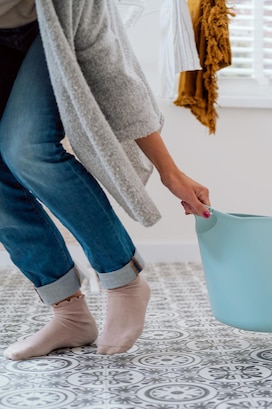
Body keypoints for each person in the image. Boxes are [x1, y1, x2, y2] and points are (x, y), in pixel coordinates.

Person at [0, 1, 210, 360]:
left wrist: (169, 171)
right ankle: (69, 313)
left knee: (28, 148)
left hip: (50, 23)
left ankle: (123, 281)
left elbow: (113, 76)